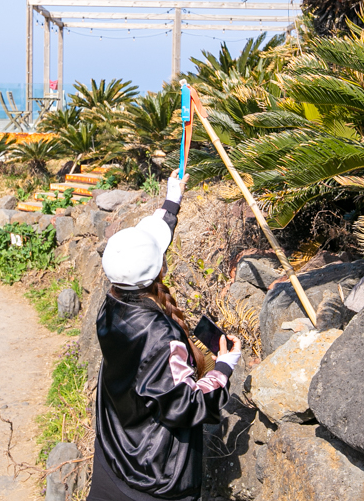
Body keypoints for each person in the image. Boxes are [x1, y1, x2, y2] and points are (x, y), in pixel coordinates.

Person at [87, 170, 241, 501]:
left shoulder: (111, 305)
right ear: (160, 269)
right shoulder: (161, 336)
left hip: (113, 461)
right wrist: (225, 367)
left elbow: (145, 249)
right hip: (154, 479)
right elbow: (188, 407)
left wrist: (172, 200)